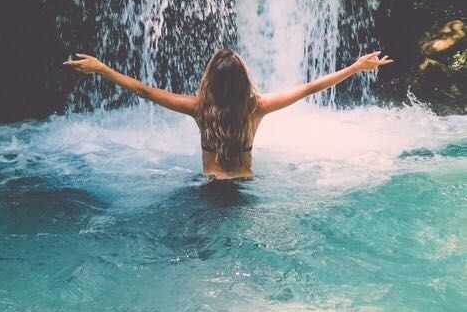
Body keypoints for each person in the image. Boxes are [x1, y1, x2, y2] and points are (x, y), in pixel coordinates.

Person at [64, 48, 393, 180]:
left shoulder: (198, 108)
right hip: (247, 188)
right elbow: (309, 89)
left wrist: (102, 68)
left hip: (207, 188)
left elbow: (144, 91)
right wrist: (354, 67)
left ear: (211, 80)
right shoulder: (257, 108)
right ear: (242, 81)